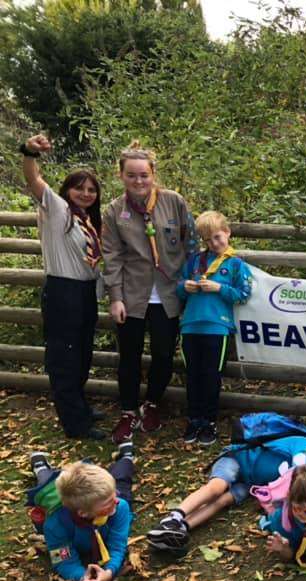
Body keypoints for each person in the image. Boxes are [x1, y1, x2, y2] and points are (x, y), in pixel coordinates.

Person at [101, 141, 198, 444]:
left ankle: (152, 403)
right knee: (128, 356)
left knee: (163, 354)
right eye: (132, 175)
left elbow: (191, 244)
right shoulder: (115, 211)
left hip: (169, 294)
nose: (138, 181)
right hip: (132, 294)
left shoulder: (174, 202)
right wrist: (115, 296)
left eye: (144, 175)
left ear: (153, 174)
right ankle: (128, 411)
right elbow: (112, 255)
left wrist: (191, 284)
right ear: (121, 176)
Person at [20, 134, 105, 439]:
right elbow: (34, 179)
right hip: (62, 291)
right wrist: (30, 152)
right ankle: (75, 424)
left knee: (82, 354)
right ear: (67, 190)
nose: (85, 193)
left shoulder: (89, 220)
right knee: (64, 358)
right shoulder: (56, 210)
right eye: (79, 188)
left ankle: (78, 406)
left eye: (92, 189)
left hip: (84, 293)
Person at [146, 436, 306, 552]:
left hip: (252, 482)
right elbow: (299, 463)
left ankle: (181, 528)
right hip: (240, 458)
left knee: (223, 501)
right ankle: (175, 516)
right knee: (217, 488)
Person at [176, 211, 253, 446]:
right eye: (208, 240)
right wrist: (185, 287)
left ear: (227, 232)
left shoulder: (236, 265)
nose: (215, 243)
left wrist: (219, 288)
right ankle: (194, 419)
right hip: (190, 326)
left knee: (211, 377)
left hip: (217, 328)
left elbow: (244, 294)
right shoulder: (194, 261)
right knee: (193, 376)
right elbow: (178, 288)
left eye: (218, 237)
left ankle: (209, 422)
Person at [31, 447, 135, 581]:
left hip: (93, 499)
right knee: (45, 484)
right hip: (63, 506)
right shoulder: (55, 525)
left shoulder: (119, 506)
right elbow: (63, 560)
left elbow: (118, 545)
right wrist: (81, 578)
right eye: (108, 503)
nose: (116, 502)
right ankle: (40, 466)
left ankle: (126, 457)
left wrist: (109, 571)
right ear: (83, 513)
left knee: (122, 482)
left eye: (114, 496)